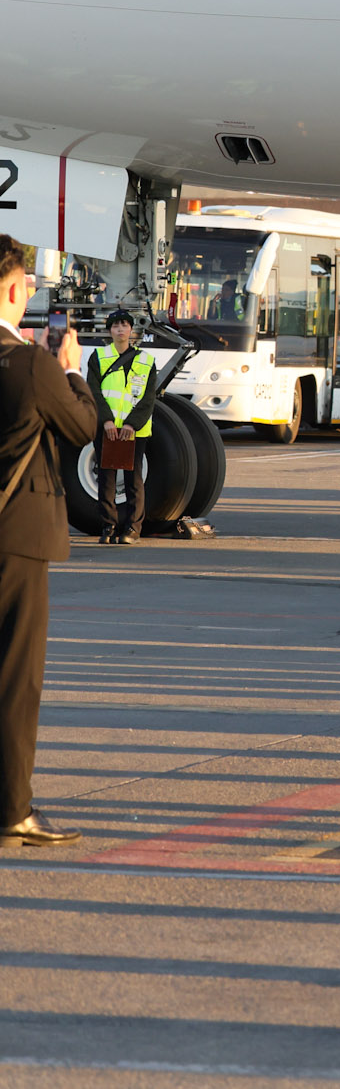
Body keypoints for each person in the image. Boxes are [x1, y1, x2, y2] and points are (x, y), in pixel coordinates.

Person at [0, 237, 98, 848]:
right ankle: (12, 808)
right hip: (17, 533)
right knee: (15, 678)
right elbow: (83, 428)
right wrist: (70, 369)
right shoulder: (30, 365)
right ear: (13, 289)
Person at [85, 309, 157, 544]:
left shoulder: (147, 361)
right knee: (106, 478)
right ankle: (108, 526)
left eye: (125, 325)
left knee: (133, 479)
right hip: (107, 429)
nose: (120, 329)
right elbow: (93, 392)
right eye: (116, 326)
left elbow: (148, 398)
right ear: (110, 330)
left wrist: (132, 425)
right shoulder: (98, 356)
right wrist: (106, 421)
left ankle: (133, 528)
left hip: (134, 432)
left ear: (131, 329)